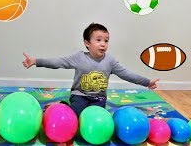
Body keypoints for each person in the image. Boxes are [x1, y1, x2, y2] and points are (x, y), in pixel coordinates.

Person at [22, 23, 159, 117]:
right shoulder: (79, 57)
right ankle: (62, 104)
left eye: (106, 40)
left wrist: (147, 82)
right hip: (80, 95)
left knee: (97, 117)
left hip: (99, 97)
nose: (103, 44)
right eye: (98, 40)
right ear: (87, 43)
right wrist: (36, 61)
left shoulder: (110, 61)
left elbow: (127, 74)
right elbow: (59, 62)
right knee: (76, 115)